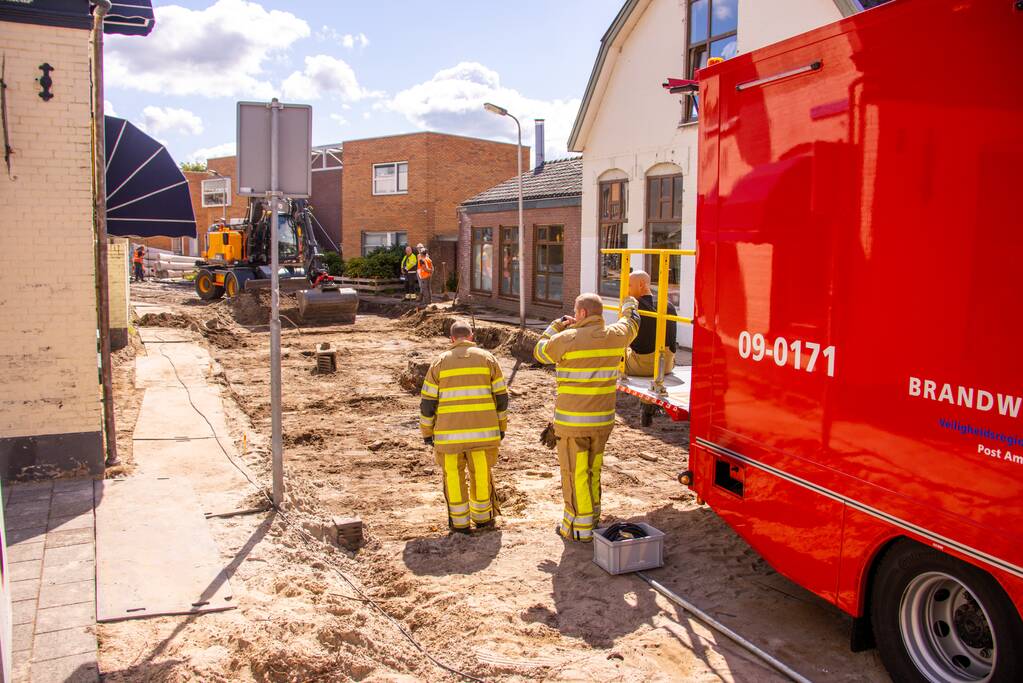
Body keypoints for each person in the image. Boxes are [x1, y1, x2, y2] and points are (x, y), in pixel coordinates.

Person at [533, 293, 640, 542]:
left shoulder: (566, 338)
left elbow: (539, 351)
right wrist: (630, 303)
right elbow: (632, 322)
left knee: (575, 474)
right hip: (602, 422)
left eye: (575, 311)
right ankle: (593, 519)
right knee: (593, 470)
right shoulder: (616, 334)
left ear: (581, 313)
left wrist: (557, 325)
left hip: (572, 425)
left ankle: (578, 529)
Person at [420, 320, 509, 533]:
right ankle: (483, 519)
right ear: (471, 337)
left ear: (452, 339)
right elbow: (502, 398)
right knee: (481, 473)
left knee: (453, 476)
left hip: (449, 438)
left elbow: (427, 404)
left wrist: (427, 433)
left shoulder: (439, 363)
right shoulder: (488, 359)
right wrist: (501, 427)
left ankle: (460, 524)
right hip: (483, 435)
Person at [624, 270, 677, 378]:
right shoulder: (668, 305)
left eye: (629, 285)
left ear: (641, 285)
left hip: (641, 366)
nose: (626, 290)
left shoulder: (634, 307)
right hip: (666, 365)